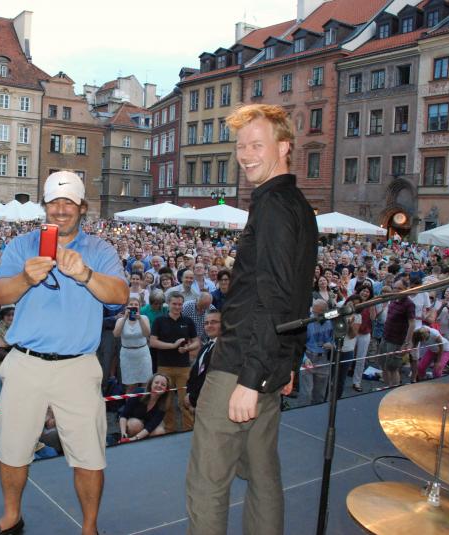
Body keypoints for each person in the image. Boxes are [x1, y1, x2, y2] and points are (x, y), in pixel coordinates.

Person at [186, 104, 317, 535]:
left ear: (284, 147)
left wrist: (249, 377)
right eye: (241, 146)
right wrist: (287, 363)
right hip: (269, 363)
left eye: (256, 144)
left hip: (242, 363)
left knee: (208, 480)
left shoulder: (274, 207)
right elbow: (299, 293)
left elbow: (276, 296)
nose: (245, 155)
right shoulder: (296, 204)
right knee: (262, 474)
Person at [0, 171, 128, 535]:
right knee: (12, 447)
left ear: (82, 207)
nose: (61, 210)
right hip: (26, 361)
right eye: (53, 202)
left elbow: (120, 296)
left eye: (68, 202)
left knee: (88, 454)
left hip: (77, 366)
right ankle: (12, 516)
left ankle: (90, 528)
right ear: (44, 205)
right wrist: (25, 279)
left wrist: (85, 275)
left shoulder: (99, 249)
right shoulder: (22, 245)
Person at [149, 292, 199, 432]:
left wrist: (188, 347)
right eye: (174, 304)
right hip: (164, 367)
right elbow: (153, 342)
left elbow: (196, 342)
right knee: (166, 402)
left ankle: (188, 430)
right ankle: (169, 430)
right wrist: (172, 346)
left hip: (184, 367)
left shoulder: (187, 321)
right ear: (168, 304)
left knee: (186, 401)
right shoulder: (159, 321)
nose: (177, 307)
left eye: (180, 304)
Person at [380, 276, 415, 387]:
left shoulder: (409, 304)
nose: (396, 290)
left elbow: (412, 323)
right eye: (394, 288)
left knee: (392, 368)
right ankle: (386, 387)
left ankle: (393, 389)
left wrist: (407, 343)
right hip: (386, 337)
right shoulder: (393, 300)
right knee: (383, 365)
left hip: (396, 341)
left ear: (406, 289)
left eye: (399, 288)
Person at [113, 296, 152, 392]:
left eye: (136, 305)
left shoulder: (144, 318)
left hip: (143, 354)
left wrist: (140, 319)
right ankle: (130, 405)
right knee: (130, 385)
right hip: (127, 355)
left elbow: (147, 334)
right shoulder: (120, 320)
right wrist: (125, 318)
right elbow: (116, 334)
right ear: (126, 307)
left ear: (139, 307)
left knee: (146, 383)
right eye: (131, 305)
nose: (133, 306)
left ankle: (143, 405)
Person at [185, 310, 221, 410]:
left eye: (214, 322)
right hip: (198, 401)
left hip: (212, 404)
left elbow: (208, 377)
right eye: (206, 323)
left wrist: (192, 398)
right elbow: (195, 373)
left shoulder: (223, 349)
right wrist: (189, 394)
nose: (209, 326)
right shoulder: (205, 347)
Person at [118, 373, 170, 442]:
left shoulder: (163, 405)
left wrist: (134, 438)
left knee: (160, 431)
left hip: (148, 427)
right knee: (135, 424)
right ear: (151, 384)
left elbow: (151, 427)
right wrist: (123, 434)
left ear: (166, 390)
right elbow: (123, 415)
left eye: (163, 385)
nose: (159, 386)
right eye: (156, 382)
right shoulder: (138, 392)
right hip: (133, 423)